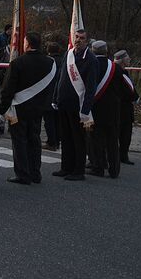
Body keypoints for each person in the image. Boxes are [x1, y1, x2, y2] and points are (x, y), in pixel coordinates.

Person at [0, 33, 57, 185]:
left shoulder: (18, 63)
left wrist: (3, 108)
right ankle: (35, 173)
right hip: (39, 107)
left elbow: (7, 89)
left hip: (19, 107)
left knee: (19, 141)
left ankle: (23, 174)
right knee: (34, 140)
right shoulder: (49, 63)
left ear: (28, 44)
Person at [52, 29, 97, 181]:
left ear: (87, 41)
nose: (78, 40)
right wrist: (55, 97)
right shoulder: (69, 54)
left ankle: (78, 170)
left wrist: (86, 110)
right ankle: (66, 167)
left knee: (78, 139)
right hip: (63, 103)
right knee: (65, 138)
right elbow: (60, 76)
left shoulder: (91, 59)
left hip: (78, 106)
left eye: (82, 38)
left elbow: (91, 87)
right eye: (76, 37)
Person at [88, 40, 127, 178]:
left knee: (97, 140)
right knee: (112, 140)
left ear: (92, 51)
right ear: (106, 51)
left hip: (96, 108)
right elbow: (129, 88)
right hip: (113, 110)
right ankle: (114, 169)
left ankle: (98, 167)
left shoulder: (91, 65)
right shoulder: (116, 68)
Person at [114, 50, 139, 165]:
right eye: (127, 57)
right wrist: (135, 97)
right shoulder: (120, 73)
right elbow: (128, 90)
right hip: (123, 108)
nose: (129, 59)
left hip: (122, 108)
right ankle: (120, 155)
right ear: (122, 60)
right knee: (123, 134)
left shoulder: (119, 72)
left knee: (124, 134)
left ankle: (122, 155)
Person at [43, 42, 64, 151]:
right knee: (57, 120)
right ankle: (57, 140)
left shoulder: (47, 62)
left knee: (49, 121)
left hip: (48, 94)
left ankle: (51, 142)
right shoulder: (63, 61)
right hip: (59, 94)